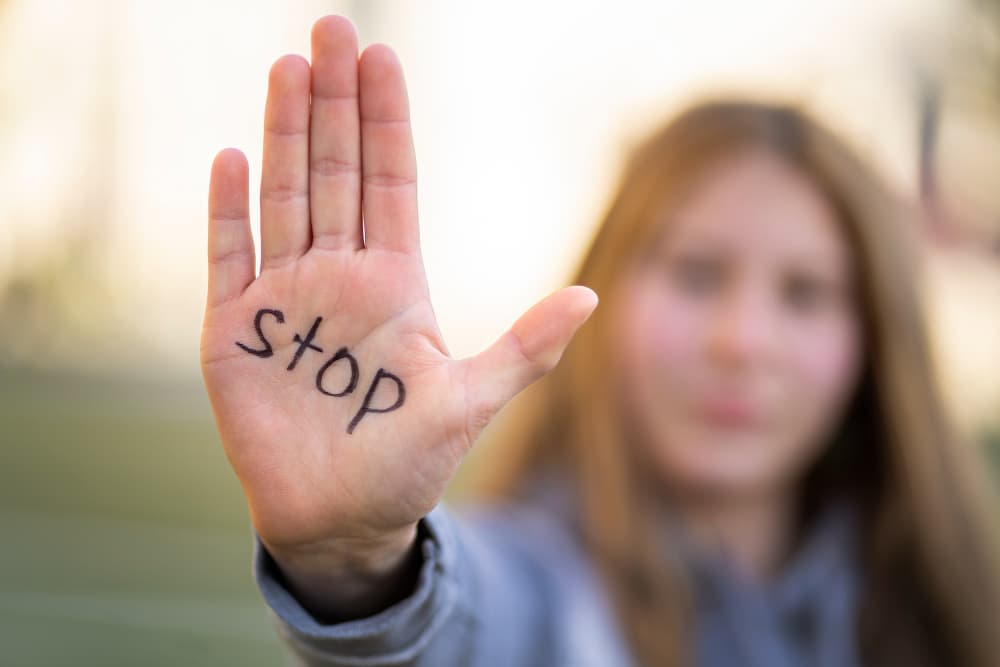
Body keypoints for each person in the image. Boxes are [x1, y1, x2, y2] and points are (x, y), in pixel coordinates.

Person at [200, 15, 1000, 667]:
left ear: (877, 342)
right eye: (695, 272)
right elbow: (460, 623)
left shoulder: (955, 595)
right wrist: (358, 558)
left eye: (806, 293)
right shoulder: (542, 590)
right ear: (605, 294)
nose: (742, 340)